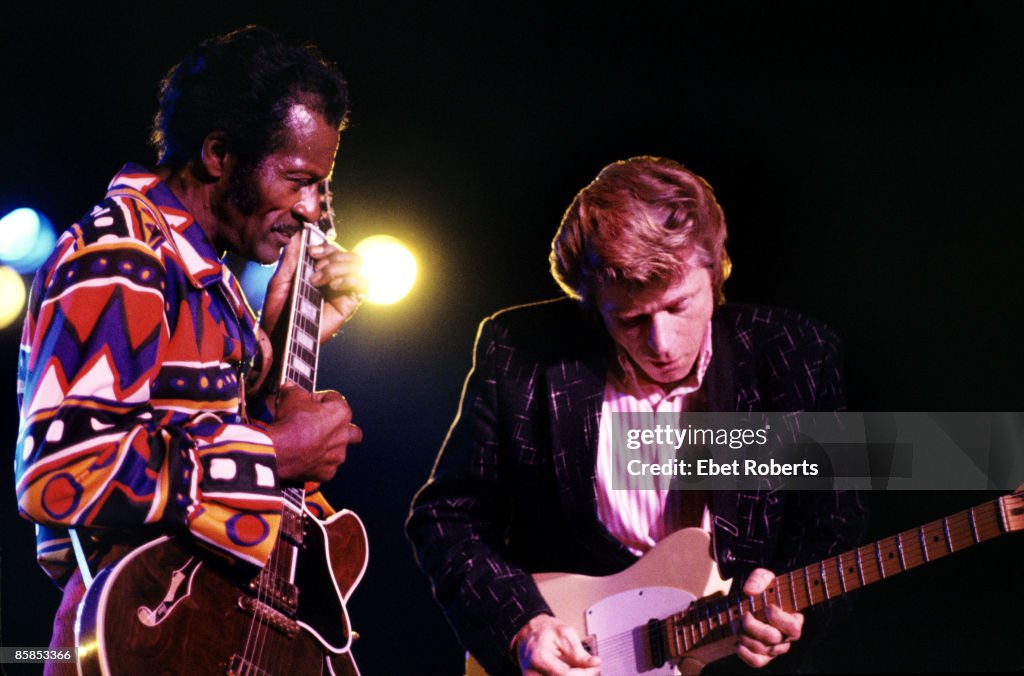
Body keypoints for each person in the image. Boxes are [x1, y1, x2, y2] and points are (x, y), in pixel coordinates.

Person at [406, 156, 865, 674]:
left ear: (715, 273)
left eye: (678, 306)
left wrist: (791, 602)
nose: (661, 344)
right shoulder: (520, 352)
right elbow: (448, 519)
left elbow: (833, 524)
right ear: (590, 304)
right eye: (630, 319)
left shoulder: (794, 352)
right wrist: (521, 625)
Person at [14, 26, 365, 671]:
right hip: (140, 639)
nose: (314, 208)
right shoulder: (124, 251)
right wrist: (280, 450)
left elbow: (194, 416)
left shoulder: (205, 275)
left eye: (321, 185)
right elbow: (60, 471)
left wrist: (288, 332)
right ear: (218, 153)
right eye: (298, 179)